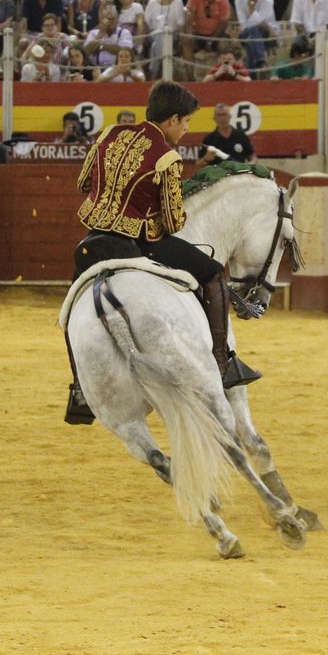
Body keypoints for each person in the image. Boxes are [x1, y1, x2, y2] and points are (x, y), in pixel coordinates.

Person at [66, 80, 258, 424]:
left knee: (72, 311)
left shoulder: (110, 134)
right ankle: (222, 362)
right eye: (186, 122)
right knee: (214, 273)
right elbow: (172, 221)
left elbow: (83, 183)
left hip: (92, 243)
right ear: (172, 119)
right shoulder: (166, 157)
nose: (187, 129)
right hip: (140, 241)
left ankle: (80, 386)